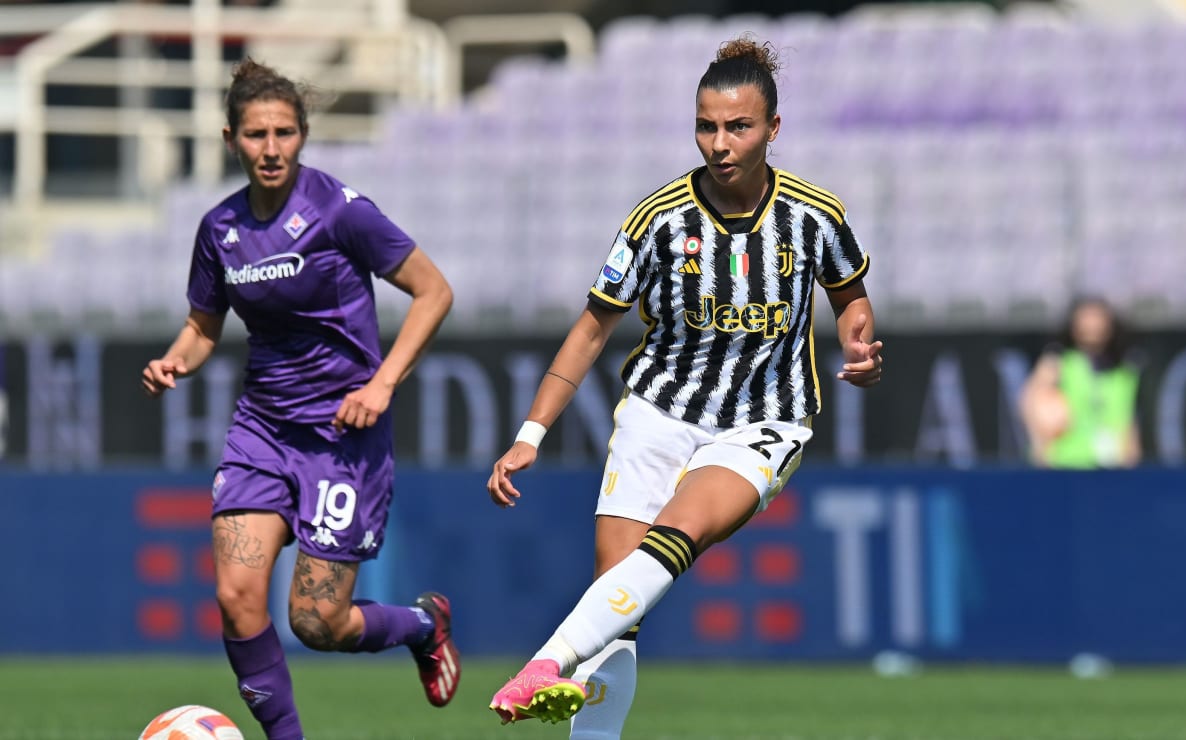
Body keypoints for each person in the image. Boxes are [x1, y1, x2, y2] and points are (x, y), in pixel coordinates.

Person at [484, 36, 883, 735]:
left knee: (678, 531)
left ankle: (546, 659)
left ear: (773, 129)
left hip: (765, 420)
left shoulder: (815, 215)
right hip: (659, 413)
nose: (720, 143)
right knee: (619, 608)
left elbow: (850, 294)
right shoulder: (657, 220)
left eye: (738, 126)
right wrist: (529, 435)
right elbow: (589, 330)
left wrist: (858, 339)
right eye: (706, 125)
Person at [141, 59, 458, 740]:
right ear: (232, 139)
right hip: (262, 431)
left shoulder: (340, 212)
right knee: (236, 598)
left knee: (318, 622)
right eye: (256, 135)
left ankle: (422, 626)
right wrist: (176, 360)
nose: (271, 148)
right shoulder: (219, 230)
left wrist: (381, 384)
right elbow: (202, 327)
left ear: (303, 135)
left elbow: (435, 291)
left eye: (284, 132)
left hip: (342, 440)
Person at [1019, 296, 1141, 468]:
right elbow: (1031, 401)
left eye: (1097, 319)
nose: (1092, 326)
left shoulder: (1124, 372)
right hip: (1066, 464)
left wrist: (1131, 456)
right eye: (1086, 319)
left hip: (1111, 467)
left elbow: (1126, 419)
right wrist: (1041, 446)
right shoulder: (1058, 362)